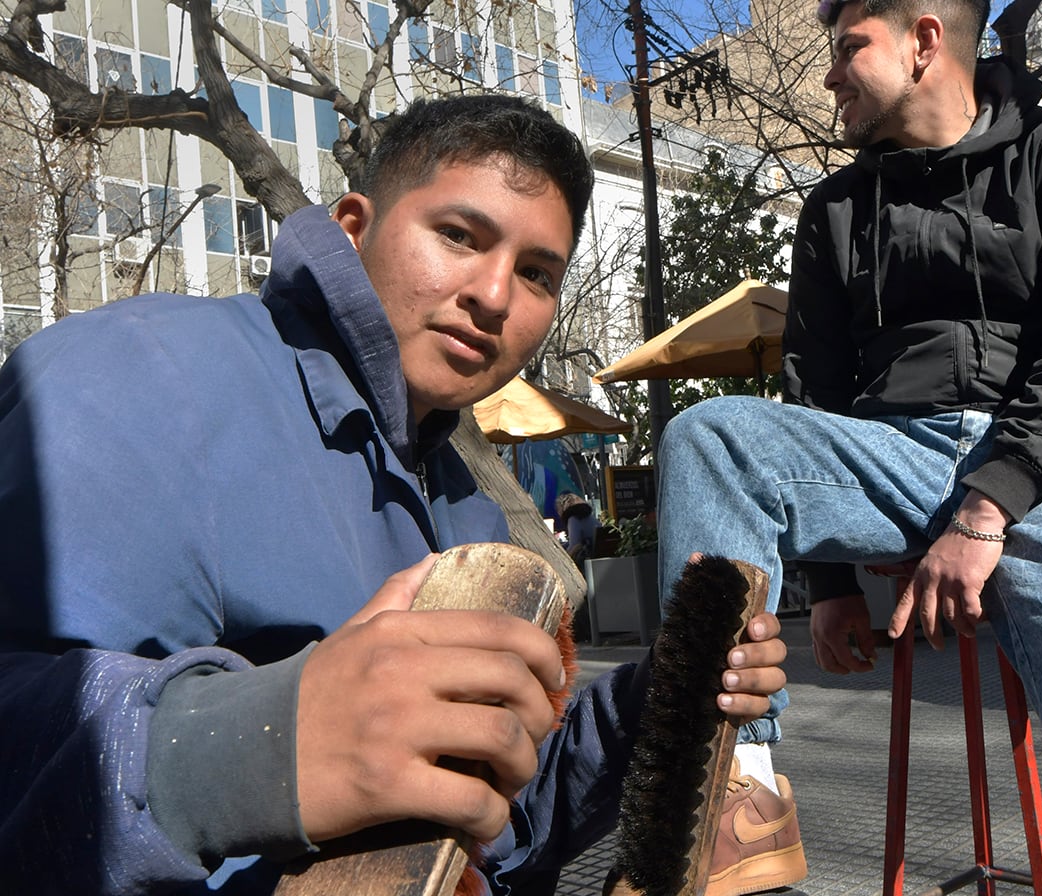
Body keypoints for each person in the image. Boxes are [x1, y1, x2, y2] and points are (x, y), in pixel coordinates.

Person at [0, 95, 789, 895]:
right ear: (353, 225)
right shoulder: (143, 376)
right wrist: (262, 747)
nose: (494, 294)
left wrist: (650, 706)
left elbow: (496, 823)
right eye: (458, 235)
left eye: (537, 273)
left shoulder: (469, 506)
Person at [653, 0, 1042, 894]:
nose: (830, 75)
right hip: (889, 451)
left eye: (848, 50)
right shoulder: (834, 207)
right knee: (709, 437)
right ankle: (738, 806)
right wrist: (831, 588)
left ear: (923, 40)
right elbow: (815, 387)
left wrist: (988, 508)